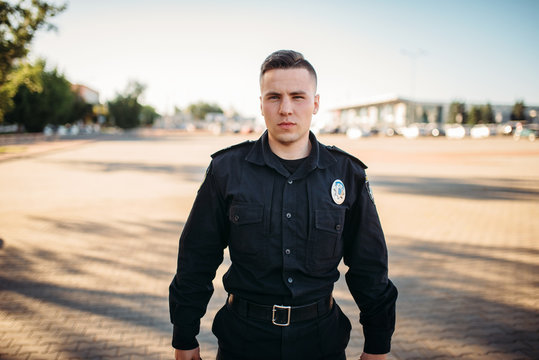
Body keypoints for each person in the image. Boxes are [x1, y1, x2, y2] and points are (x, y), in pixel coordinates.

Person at [169, 50, 397, 360]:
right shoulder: (227, 170)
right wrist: (184, 337)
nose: (286, 109)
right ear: (261, 103)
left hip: (320, 343)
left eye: (298, 97)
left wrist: (378, 345)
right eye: (274, 97)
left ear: (315, 104)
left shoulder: (347, 174)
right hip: (244, 343)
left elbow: (369, 267)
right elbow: (196, 258)